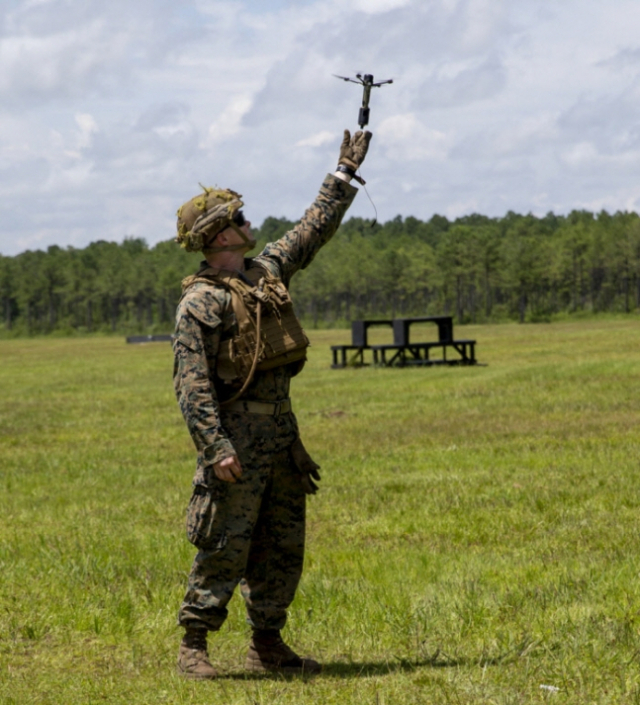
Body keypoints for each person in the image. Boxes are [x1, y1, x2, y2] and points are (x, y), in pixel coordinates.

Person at [172, 129, 372, 679]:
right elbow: (192, 387)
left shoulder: (267, 273)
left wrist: (342, 175)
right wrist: (216, 449)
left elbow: (312, 229)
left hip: (281, 438)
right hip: (235, 440)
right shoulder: (201, 303)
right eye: (240, 217)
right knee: (224, 544)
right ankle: (195, 645)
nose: (249, 222)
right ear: (221, 234)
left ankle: (268, 643)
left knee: (282, 542)